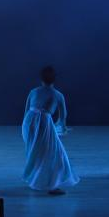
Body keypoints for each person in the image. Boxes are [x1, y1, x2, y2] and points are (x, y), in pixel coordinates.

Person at [21, 66, 79, 194]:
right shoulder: (57, 95)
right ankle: (52, 185)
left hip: (29, 121)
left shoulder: (33, 92)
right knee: (54, 154)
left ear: (41, 79)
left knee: (37, 152)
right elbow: (63, 115)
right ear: (54, 79)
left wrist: (26, 129)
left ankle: (37, 180)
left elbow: (26, 112)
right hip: (43, 122)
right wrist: (62, 128)